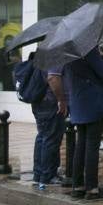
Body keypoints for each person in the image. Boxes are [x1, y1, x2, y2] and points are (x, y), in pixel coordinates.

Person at [67, 46, 103, 201]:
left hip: (79, 104)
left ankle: (78, 186)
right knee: (91, 146)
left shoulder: (70, 52)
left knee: (81, 145)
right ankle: (92, 189)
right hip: (93, 104)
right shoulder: (90, 50)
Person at [29, 56, 67, 189]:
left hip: (39, 101)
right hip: (50, 103)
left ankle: (39, 174)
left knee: (42, 137)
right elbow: (53, 77)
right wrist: (61, 100)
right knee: (50, 139)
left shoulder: (44, 54)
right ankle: (48, 175)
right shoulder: (56, 56)